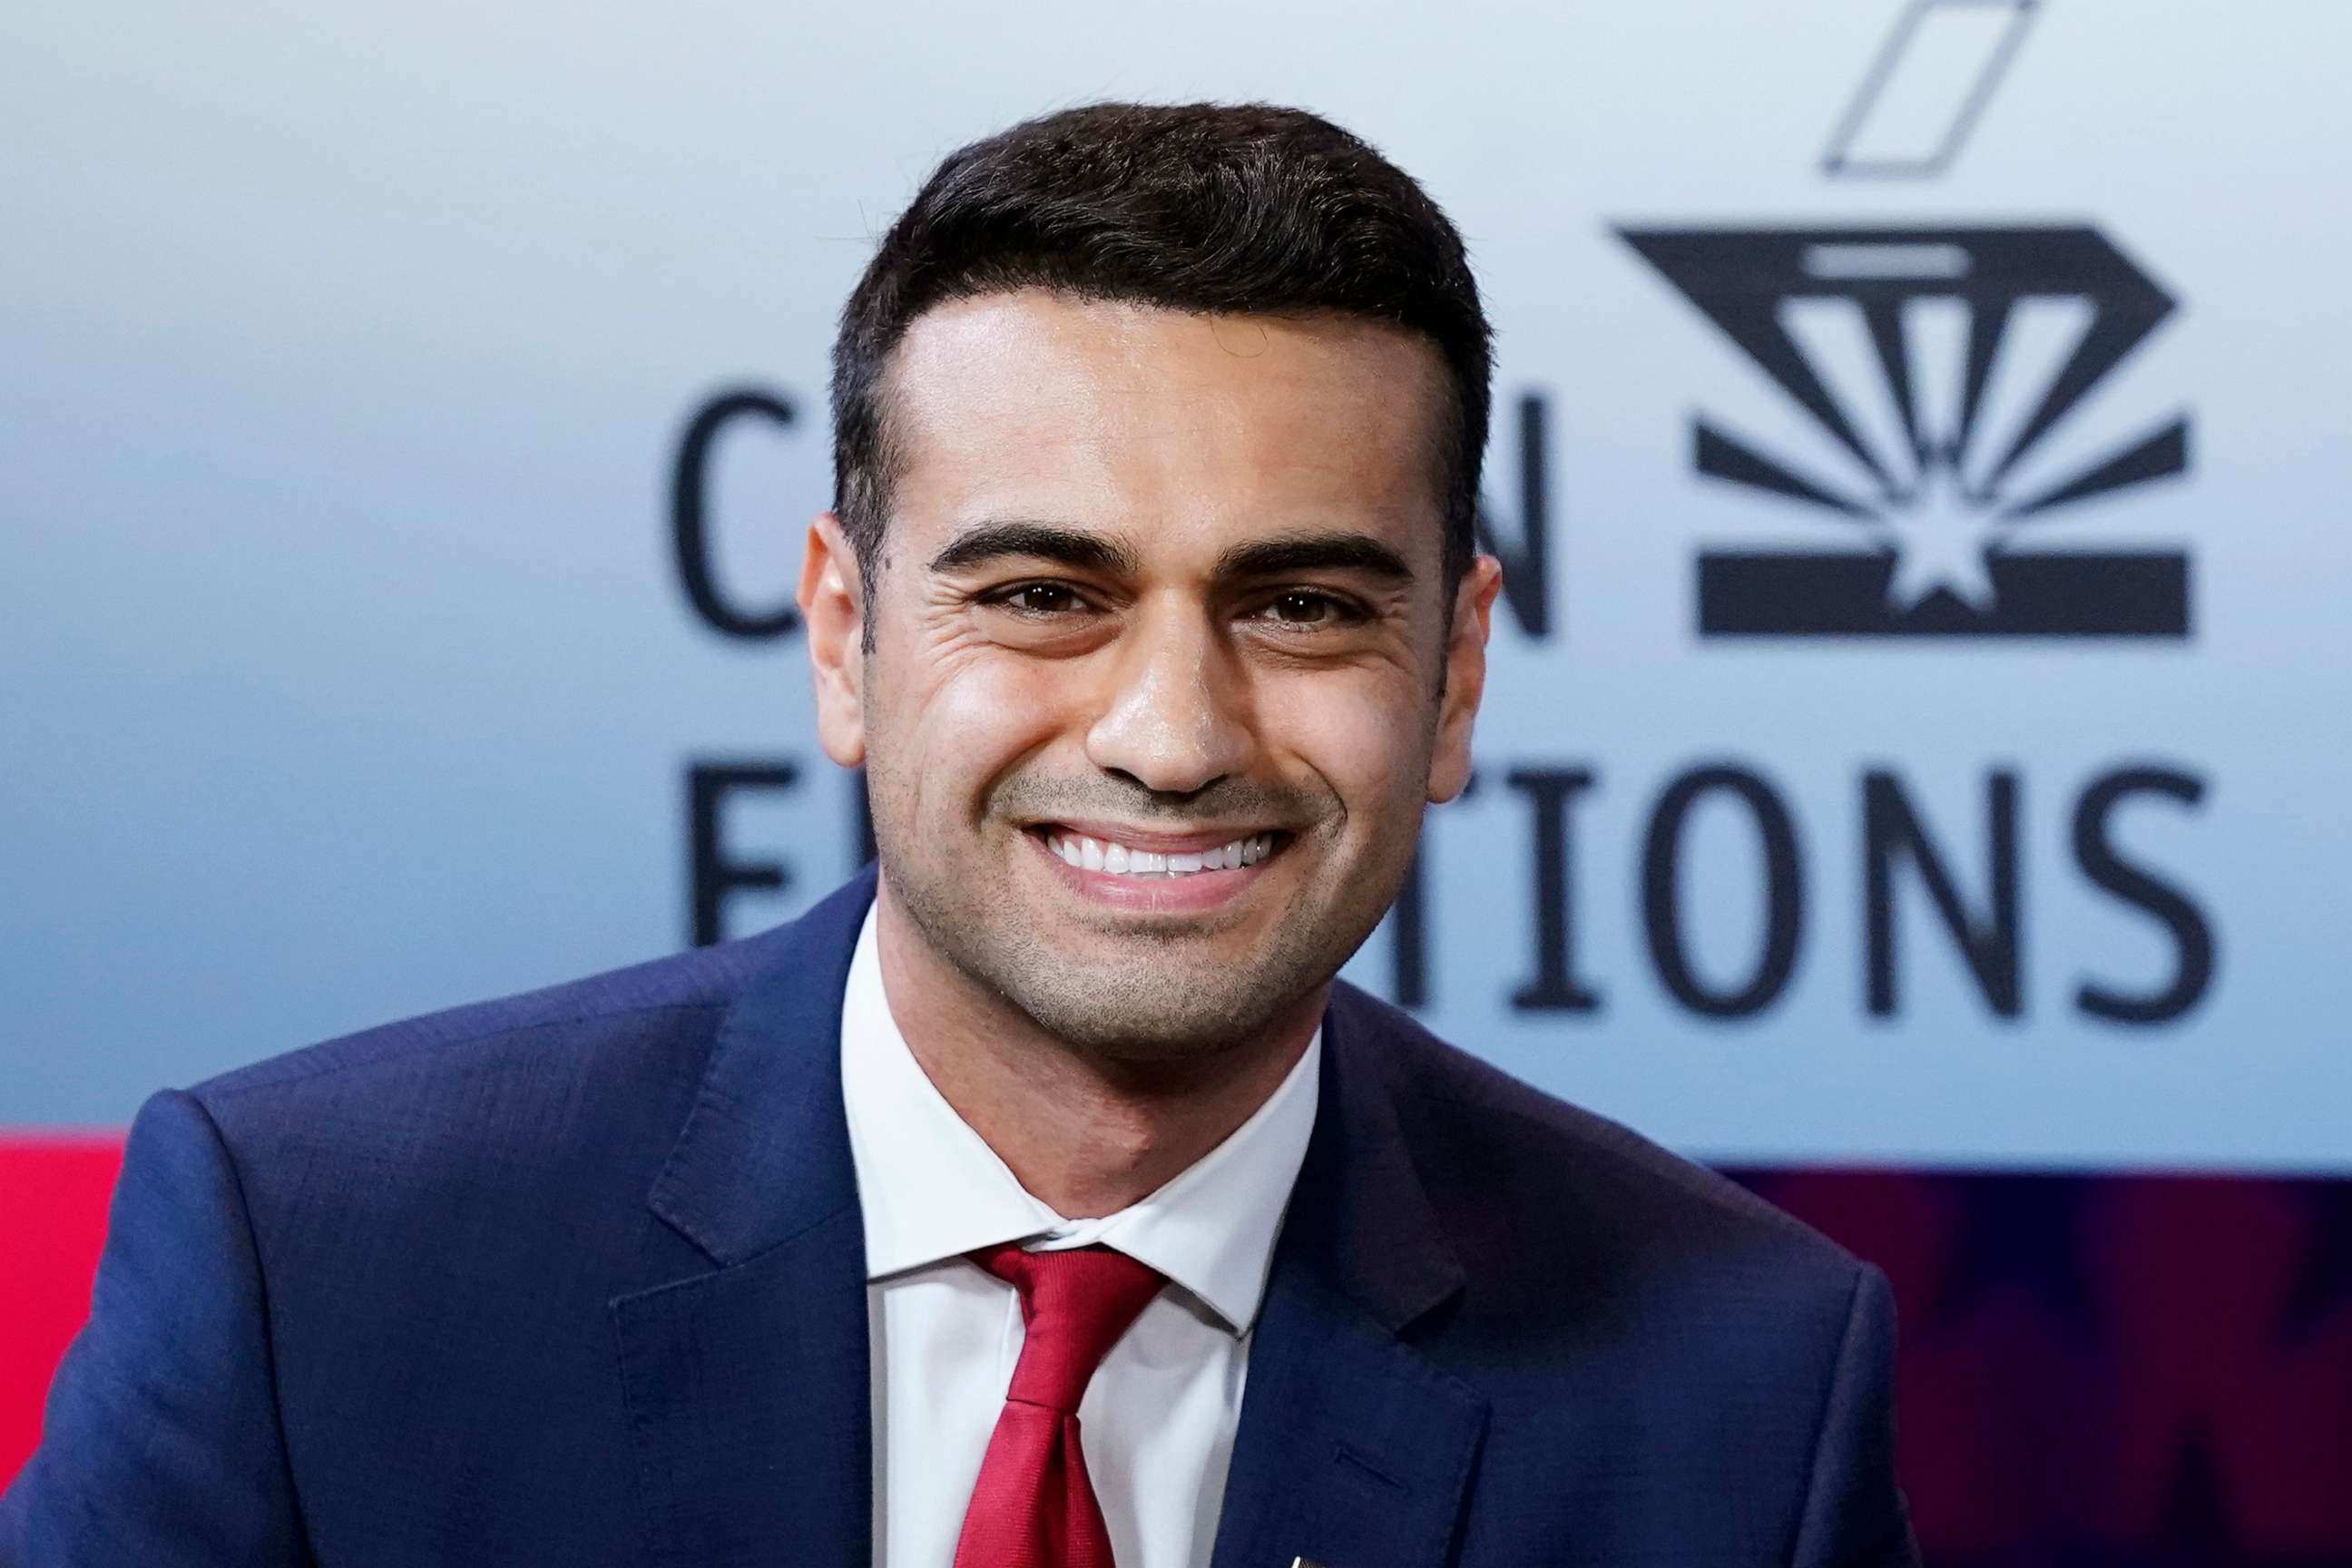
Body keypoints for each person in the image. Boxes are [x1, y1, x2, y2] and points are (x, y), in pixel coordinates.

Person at [1, 103, 1918, 1567]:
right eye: (1041, 594)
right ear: (845, 636)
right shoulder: (317, 1263)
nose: (1173, 737)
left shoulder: (1739, 1392)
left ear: (1459, 673)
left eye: (1305, 606)